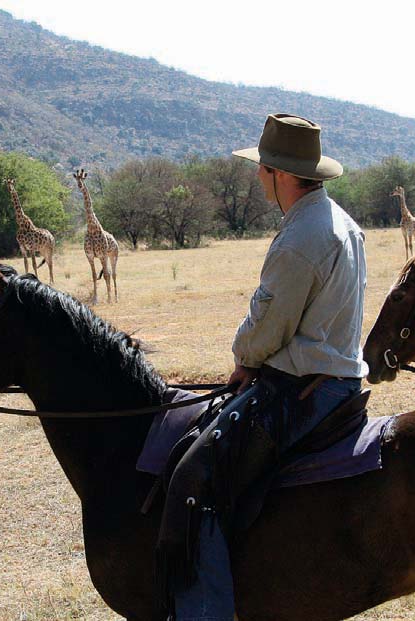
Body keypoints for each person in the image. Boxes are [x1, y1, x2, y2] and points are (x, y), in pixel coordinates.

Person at [157, 113, 368, 621]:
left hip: (301, 389)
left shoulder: (301, 237)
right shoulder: (341, 220)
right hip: (336, 381)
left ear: (280, 174)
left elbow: (268, 326)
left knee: (194, 480)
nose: (257, 178)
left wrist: (244, 359)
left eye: (263, 168)